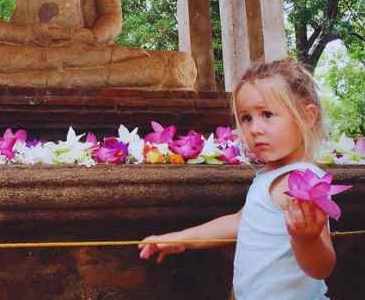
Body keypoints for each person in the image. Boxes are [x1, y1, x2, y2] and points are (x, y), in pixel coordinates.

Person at [139, 59, 336, 294]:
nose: (254, 129)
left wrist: (308, 240)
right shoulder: (271, 176)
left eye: (267, 114)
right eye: (246, 118)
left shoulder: (303, 182)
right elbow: (241, 222)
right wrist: (179, 239)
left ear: (306, 116)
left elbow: (322, 267)